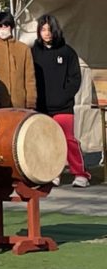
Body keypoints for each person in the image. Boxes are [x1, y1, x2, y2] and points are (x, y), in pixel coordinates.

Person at [31, 13, 91, 188]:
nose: (46, 33)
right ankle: (53, 173)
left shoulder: (67, 52)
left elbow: (75, 79)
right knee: (46, 141)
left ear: (56, 30)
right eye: (43, 29)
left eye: (50, 29)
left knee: (68, 140)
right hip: (41, 107)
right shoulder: (33, 52)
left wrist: (64, 96)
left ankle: (80, 174)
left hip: (63, 106)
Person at [0, 11, 36, 109]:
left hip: (20, 104)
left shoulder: (24, 49)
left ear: (11, 27)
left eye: (5, 26)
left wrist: (31, 103)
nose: (2, 30)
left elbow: (30, 79)